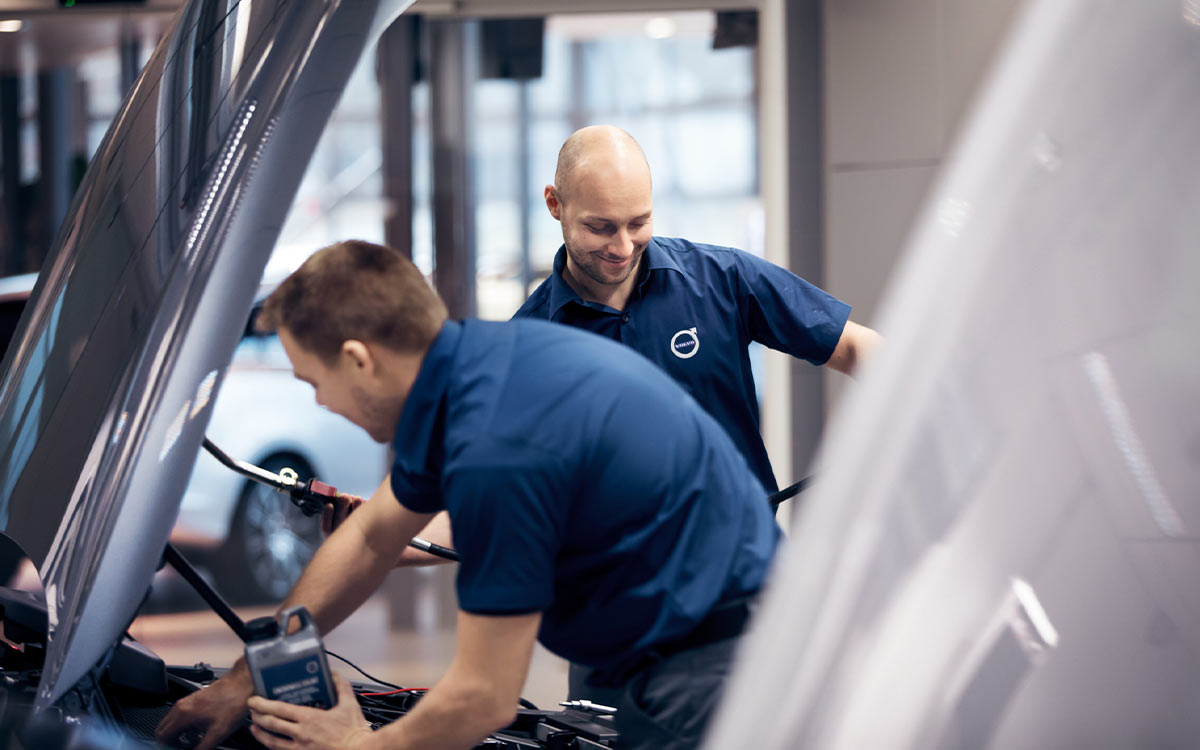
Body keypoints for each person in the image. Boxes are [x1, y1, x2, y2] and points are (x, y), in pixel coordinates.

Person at [155, 240, 779, 750]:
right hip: (695, 650)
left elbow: (484, 696)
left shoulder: (497, 441)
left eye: (314, 382)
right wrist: (249, 674)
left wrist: (354, 747)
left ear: (358, 361)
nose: (320, 402)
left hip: (716, 674)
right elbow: (371, 537)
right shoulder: (472, 370)